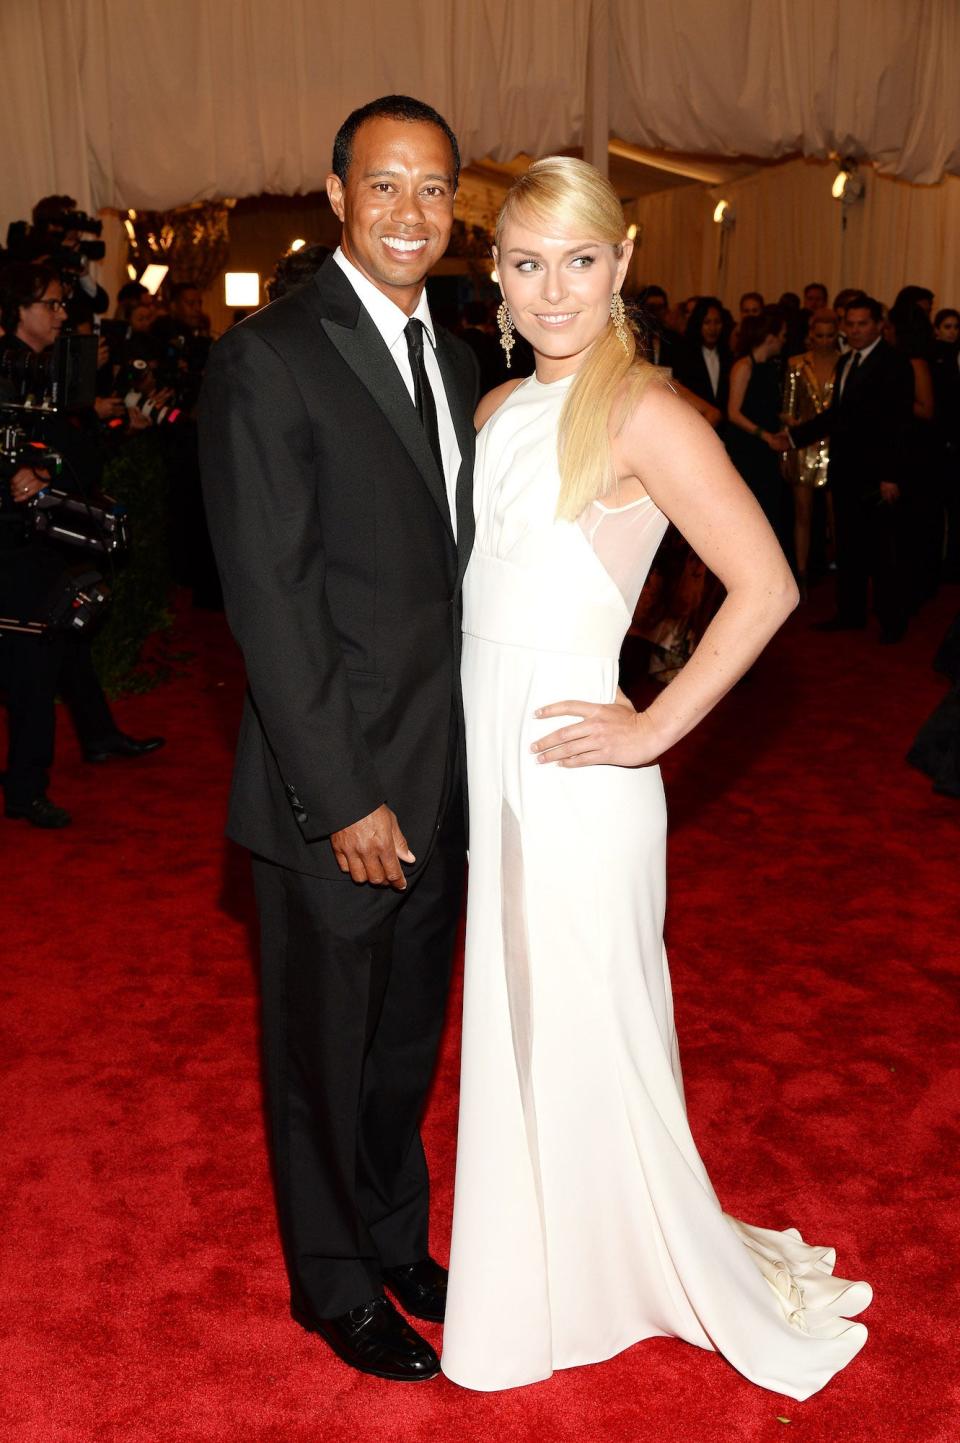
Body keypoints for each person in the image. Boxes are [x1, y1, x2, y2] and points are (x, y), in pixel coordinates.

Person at [442, 155, 870, 1398]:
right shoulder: (496, 412)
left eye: (580, 261)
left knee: (591, 1030)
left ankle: (611, 1272)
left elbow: (771, 584)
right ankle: (553, 1263)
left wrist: (652, 729)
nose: (554, 289)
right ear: (500, 280)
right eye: (527, 264)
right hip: (497, 765)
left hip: (579, 780)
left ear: (622, 266)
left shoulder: (644, 411)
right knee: (526, 1028)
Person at [199, 94, 478, 1384]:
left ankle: (394, 1236)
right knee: (319, 1056)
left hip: (448, 777)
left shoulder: (461, 356)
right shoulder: (273, 357)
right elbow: (274, 601)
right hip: (343, 796)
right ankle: (330, 1283)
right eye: (385, 186)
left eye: (432, 189)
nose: (409, 212)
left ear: (456, 206)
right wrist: (345, 794)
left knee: (404, 1044)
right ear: (335, 195)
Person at [0, 264, 164, 828]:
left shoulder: (50, 369)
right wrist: (15, 478)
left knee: (64, 640)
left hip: (49, 528)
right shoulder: (8, 372)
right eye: (50, 304)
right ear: (20, 310)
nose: (61, 313)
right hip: (16, 540)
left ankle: (96, 736)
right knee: (32, 663)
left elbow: (72, 449)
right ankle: (24, 788)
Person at [788, 294, 915, 642]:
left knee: (883, 551)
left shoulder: (894, 363)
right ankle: (850, 613)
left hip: (878, 475)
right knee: (849, 546)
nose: (855, 330)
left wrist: (891, 475)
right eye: (851, 324)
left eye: (862, 324)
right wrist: (794, 436)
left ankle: (892, 623)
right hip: (844, 470)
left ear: (878, 325)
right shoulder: (847, 362)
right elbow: (837, 416)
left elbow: (901, 424)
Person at [782, 308, 841, 595]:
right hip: (803, 448)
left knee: (837, 515)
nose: (825, 340)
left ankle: (842, 574)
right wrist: (801, 429)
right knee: (802, 514)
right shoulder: (796, 363)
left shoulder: (845, 363)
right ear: (811, 335)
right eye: (820, 335)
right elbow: (787, 410)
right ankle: (802, 574)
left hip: (837, 448)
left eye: (830, 335)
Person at [725, 306, 792, 557]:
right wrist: (765, 436)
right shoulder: (744, 366)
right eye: (783, 335)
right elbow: (734, 412)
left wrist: (787, 420)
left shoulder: (770, 367)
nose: (785, 341)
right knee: (752, 509)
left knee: (770, 510)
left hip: (765, 450)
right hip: (748, 450)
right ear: (770, 337)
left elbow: (765, 406)